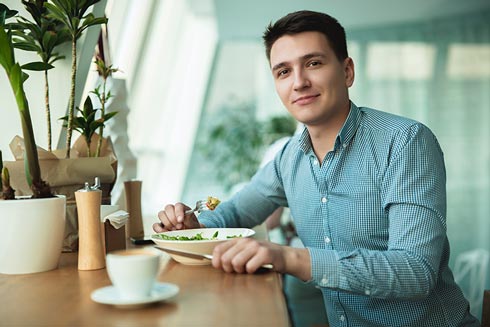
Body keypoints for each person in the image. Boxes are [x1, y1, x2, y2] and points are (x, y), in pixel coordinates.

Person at [154, 10, 479, 327]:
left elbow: (415, 271)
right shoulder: (287, 159)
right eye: (283, 71)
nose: (299, 82)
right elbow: (233, 214)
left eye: (313, 63)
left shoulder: (405, 142)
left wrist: (288, 257)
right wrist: (194, 225)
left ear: (347, 71)